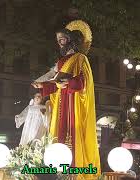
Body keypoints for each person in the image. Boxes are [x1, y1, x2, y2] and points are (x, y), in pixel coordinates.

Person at [32, 20, 100, 178]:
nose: (59, 43)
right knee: (59, 135)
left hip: (74, 103)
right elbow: (56, 84)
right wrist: (42, 86)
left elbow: (85, 81)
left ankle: (75, 171)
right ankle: (59, 172)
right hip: (62, 103)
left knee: (73, 136)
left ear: (70, 40)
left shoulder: (81, 58)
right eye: (58, 41)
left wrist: (70, 82)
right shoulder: (61, 62)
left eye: (62, 39)